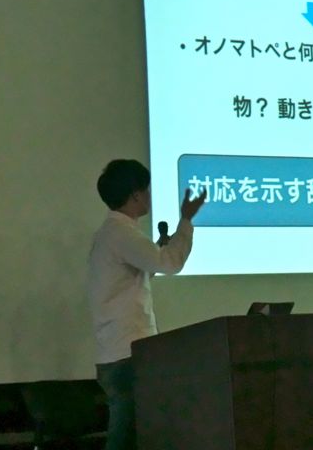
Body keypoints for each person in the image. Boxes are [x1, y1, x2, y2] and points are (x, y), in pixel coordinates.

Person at [87, 159, 206, 450]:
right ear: (136, 195)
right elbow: (170, 263)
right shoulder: (122, 233)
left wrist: (158, 249)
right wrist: (186, 220)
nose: (150, 196)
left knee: (129, 438)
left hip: (118, 353)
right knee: (125, 440)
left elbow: (136, 274)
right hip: (127, 354)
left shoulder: (110, 234)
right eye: (147, 190)